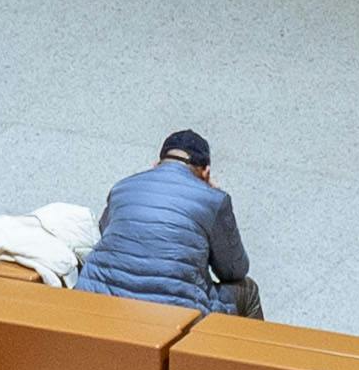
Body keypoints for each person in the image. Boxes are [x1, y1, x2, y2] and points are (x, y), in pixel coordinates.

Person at [73, 128, 262, 314]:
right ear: (206, 172)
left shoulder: (122, 187)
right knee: (248, 290)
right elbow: (234, 270)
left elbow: (103, 232)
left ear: (156, 164)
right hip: (171, 315)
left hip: (96, 304)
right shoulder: (214, 199)